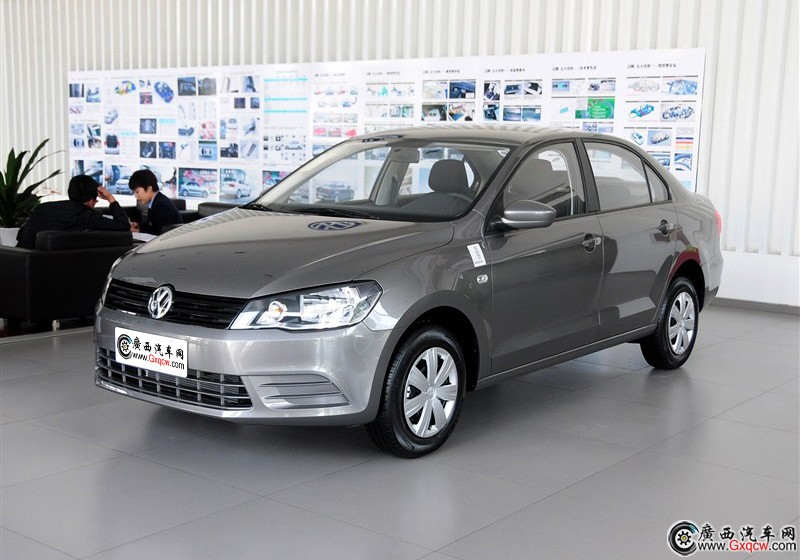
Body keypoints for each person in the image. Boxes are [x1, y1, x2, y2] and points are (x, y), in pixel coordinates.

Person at [16, 174, 130, 249]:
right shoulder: (85, 216)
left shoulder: (42, 208)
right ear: (91, 201)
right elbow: (123, 225)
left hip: (20, 262)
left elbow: (21, 235)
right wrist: (110, 198)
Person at [128, 169, 181, 235]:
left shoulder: (162, 205)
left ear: (149, 188)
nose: (136, 196)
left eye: (137, 192)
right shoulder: (156, 200)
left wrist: (138, 231)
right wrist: (139, 225)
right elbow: (152, 224)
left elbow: (160, 231)